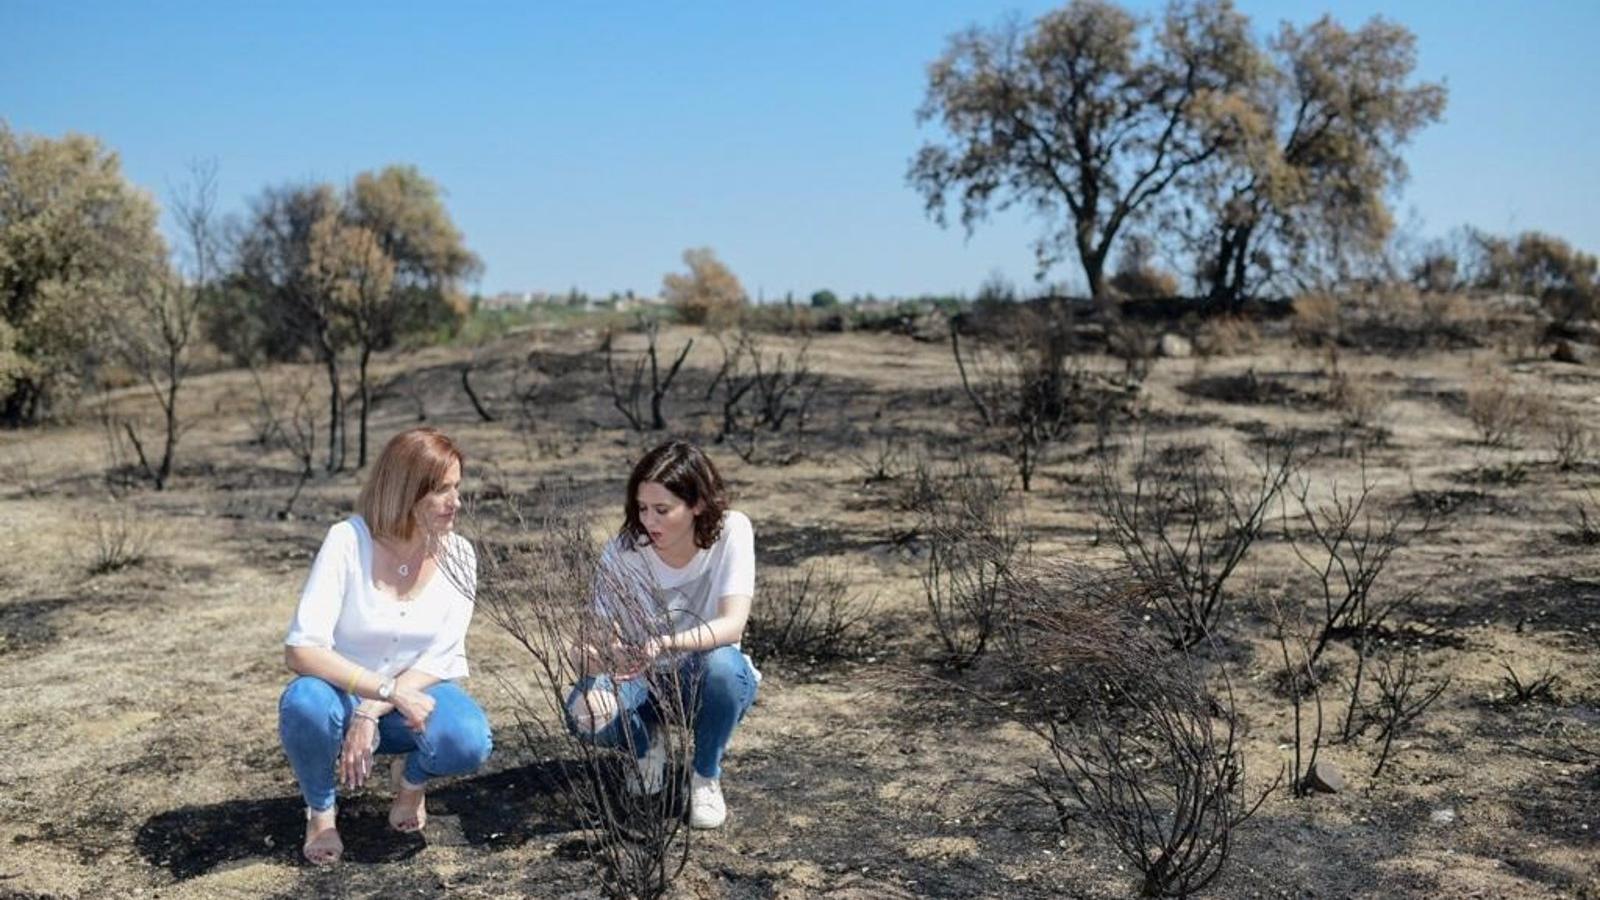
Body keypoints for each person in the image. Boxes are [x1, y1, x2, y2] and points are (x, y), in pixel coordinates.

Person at [278, 427, 492, 865]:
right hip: (341, 691)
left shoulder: (460, 555)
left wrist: (373, 709)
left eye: (457, 487)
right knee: (304, 704)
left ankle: (411, 781)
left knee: (468, 739)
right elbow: (302, 649)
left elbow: (445, 654)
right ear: (403, 489)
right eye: (441, 490)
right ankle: (320, 810)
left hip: (414, 696)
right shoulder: (346, 540)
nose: (456, 502)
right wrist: (379, 692)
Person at [564, 440, 760, 829]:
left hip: (701, 679)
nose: (649, 521)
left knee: (724, 666)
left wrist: (669, 643)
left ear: (698, 505)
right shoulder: (622, 552)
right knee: (584, 712)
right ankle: (644, 746)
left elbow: (732, 624)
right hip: (640, 677)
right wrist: (594, 657)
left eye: (662, 510)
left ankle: (705, 775)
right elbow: (596, 639)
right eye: (642, 508)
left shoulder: (731, 531)